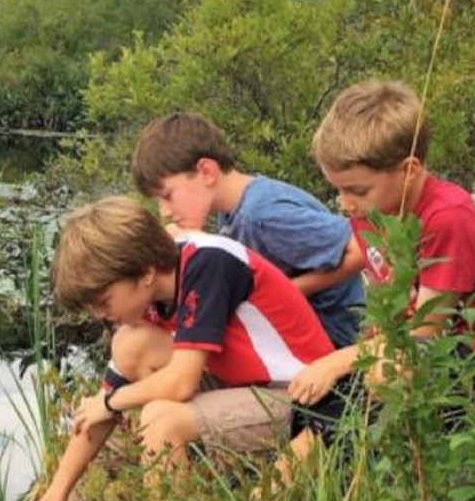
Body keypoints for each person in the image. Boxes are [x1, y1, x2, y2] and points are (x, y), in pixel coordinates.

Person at [13, 196, 334, 501]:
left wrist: (112, 402)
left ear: (146, 274)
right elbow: (97, 409)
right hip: (247, 386)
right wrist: (53, 499)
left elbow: (180, 384)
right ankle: (207, 484)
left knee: (162, 420)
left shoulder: (208, 264)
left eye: (103, 301)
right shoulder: (155, 284)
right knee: (130, 344)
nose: (98, 315)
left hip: (307, 398)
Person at [284, 80, 475, 472]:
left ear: (409, 169)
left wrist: (341, 360)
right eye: (337, 190)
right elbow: (383, 302)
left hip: (465, 365)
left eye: (356, 189)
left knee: (365, 393)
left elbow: (425, 332)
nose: (344, 204)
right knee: (316, 405)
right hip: (392, 351)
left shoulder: (449, 218)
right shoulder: (372, 211)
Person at [130, 112, 366, 348]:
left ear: (206, 172)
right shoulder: (234, 210)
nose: (165, 212)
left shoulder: (261, 215)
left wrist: (284, 292)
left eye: (168, 196)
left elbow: (360, 247)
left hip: (335, 336)